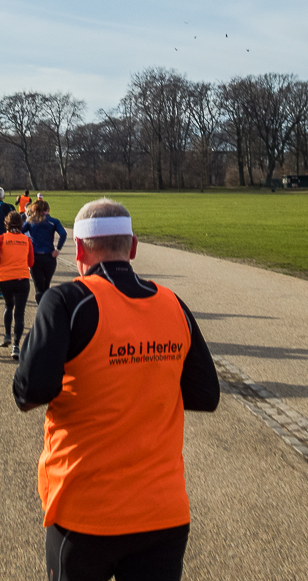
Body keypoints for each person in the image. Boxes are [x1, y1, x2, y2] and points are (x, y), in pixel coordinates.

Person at [12, 198, 220, 581]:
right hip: (163, 511)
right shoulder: (173, 304)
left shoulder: (68, 301)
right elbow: (206, 396)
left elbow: (29, 392)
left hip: (86, 511)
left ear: (78, 249)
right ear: (133, 247)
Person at [0, 211, 35, 360]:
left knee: (9, 306)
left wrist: (2, 260)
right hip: (22, 279)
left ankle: (7, 335)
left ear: (7, 224)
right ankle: (16, 346)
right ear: (21, 224)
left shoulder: (1, 238)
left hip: (6, 278)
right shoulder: (26, 240)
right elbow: (31, 262)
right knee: (20, 313)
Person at [22, 199, 67, 303]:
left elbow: (19, 232)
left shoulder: (30, 222)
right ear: (48, 209)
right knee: (46, 285)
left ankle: (40, 308)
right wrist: (58, 249)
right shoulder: (54, 221)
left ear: (33, 210)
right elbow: (63, 234)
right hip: (49, 256)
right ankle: (46, 308)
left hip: (35, 257)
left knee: (38, 286)